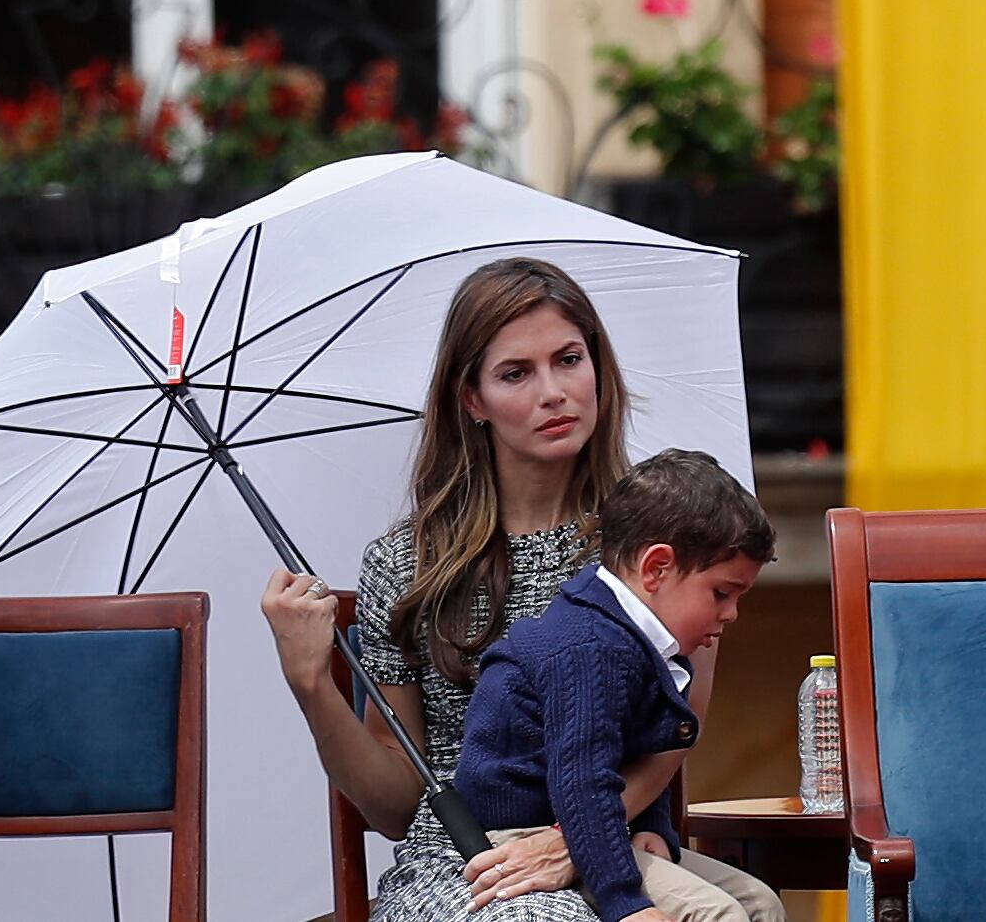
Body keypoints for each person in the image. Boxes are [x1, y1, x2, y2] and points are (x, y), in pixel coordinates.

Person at [262, 256, 695, 920]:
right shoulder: (407, 563)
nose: (553, 391)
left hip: (616, 839)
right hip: (462, 859)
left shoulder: (659, 542)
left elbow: (675, 733)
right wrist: (312, 684)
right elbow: (395, 807)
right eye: (516, 373)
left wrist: (575, 840)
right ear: (473, 399)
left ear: (598, 366)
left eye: (569, 358)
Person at [458, 448, 783, 922]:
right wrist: (626, 903)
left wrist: (652, 823)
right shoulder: (592, 649)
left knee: (761, 904)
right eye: (721, 593)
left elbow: (634, 747)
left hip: (592, 825)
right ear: (656, 568)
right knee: (719, 915)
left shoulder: (641, 642)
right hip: (521, 833)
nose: (730, 614)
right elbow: (584, 781)